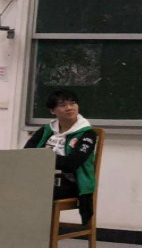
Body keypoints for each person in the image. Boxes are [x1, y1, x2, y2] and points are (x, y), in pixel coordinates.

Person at [24, 89, 97, 225]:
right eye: (63, 105)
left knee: (32, 192)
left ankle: (35, 230)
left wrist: (43, 158)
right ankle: (21, 230)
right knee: (11, 187)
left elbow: (71, 164)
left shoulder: (87, 133)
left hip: (71, 184)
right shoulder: (47, 130)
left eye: (73, 103)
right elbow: (27, 153)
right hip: (41, 178)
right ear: (53, 111)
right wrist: (45, 160)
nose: (69, 108)